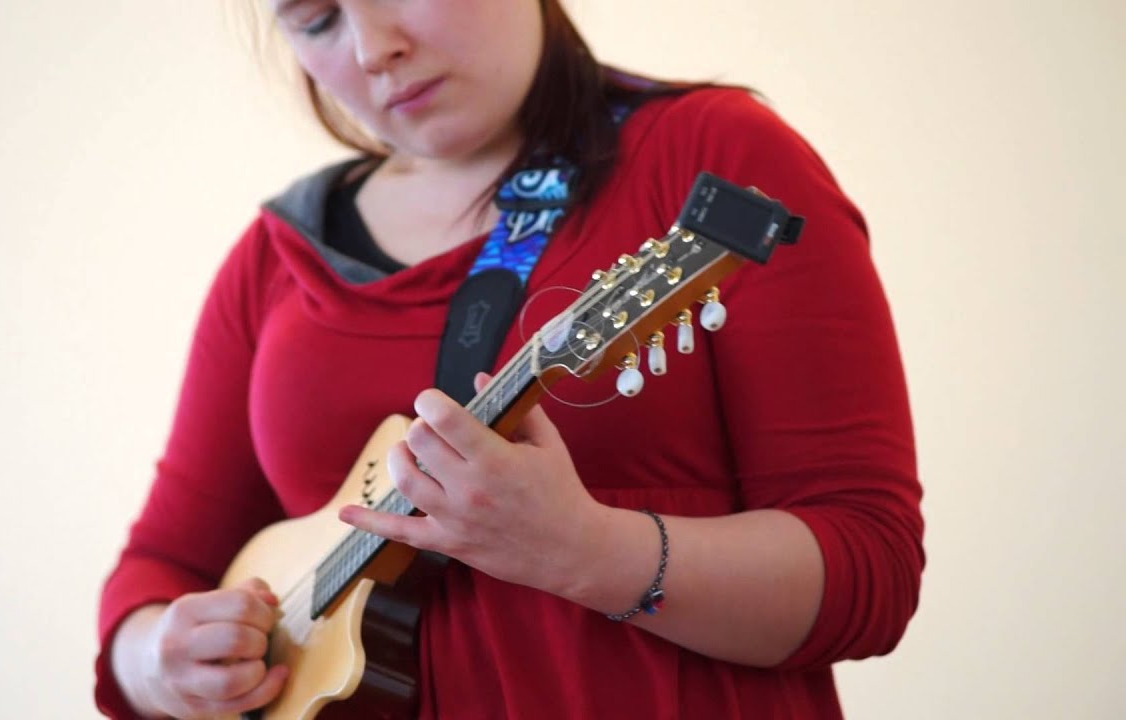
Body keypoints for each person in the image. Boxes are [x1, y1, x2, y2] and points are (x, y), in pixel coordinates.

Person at [95, 0, 924, 717]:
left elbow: (871, 567)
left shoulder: (718, 155)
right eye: (315, 20)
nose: (371, 48)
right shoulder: (276, 257)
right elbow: (160, 569)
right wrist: (161, 664)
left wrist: (590, 551)